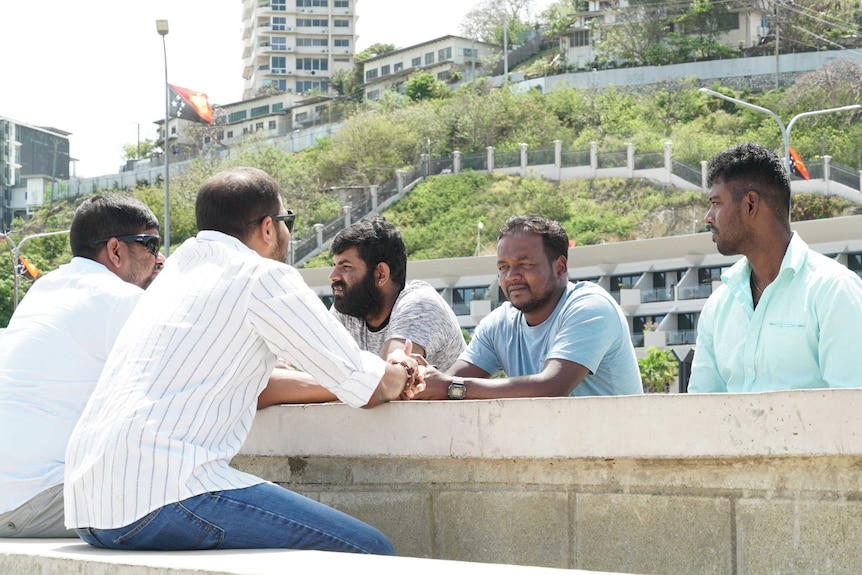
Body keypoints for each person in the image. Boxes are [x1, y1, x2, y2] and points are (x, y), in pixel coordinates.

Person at [64, 167, 423, 554]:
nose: (287, 233)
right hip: (161, 497)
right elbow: (365, 385)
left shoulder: (173, 278)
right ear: (268, 227)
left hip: (90, 508)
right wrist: (403, 369)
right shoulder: (262, 276)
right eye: (287, 221)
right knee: (372, 550)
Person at [0, 194, 162, 538]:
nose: (158, 258)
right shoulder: (120, 299)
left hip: (14, 494)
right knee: (192, 498)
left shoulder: (46, 287)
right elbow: (206, 381)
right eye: (150, 244)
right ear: (116, 250)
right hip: (32, 501)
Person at [689, 142, 862, 392]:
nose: (708, 216)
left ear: (750, 204)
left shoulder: (834, 291)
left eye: (716, 203)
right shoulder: (718, 306)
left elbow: (851, 414)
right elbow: (700, 412)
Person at [415, 215, 643, 400]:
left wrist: (452, 388)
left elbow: (552, 387)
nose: (511, 277)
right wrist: (416, 377)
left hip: (618, 454)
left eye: (524, 265)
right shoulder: (500, 324)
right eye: (503, 267)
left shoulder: (590, 307)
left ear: (560, 267)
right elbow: (448, 382)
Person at [258, 217, 464, 407]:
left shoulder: (418, 304)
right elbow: (352, 381)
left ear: (380, 273)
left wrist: (291, 383)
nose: (333, 276)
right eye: (335, 265)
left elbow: (382, 383)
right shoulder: (349, 310)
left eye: (345, 267)